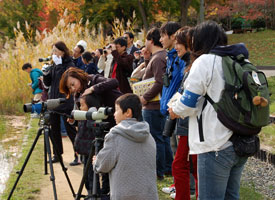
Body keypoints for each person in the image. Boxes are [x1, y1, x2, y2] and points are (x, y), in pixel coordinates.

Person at [169, 20, 248, 200]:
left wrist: (174, 109)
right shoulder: (237, 58)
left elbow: (187, 103)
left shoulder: (205, 61)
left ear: (200, 41)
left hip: (214, 146)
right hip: (239, 141)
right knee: (231, 196)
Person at [59, 67, 123, 197]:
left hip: (114, 119)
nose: (73, 89)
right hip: (96, 128)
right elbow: (82, 113)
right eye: (69, 88)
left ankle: (106, 192)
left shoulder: (93, 80)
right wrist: (74, 120)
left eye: (73, 84)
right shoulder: (78, 94)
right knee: (91, 161)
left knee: (107, 159)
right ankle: (93, 193)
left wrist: (93, 88)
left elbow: (114, 82)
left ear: (78, 76)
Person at [93, 93, 158, 200]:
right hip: (149, 194)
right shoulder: (148, 135)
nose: (114, 114)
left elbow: (103, 165)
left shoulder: (115, 135)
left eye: (117, 110)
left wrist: (96, 162)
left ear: (128, 112)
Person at [168, 27, 198, 200]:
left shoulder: (194, 66)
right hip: (186, 123)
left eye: (179, 43)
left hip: (189, 124)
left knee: (182, 164)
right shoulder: (189, 65)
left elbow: (191, 98)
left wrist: (176, 109)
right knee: (186, 164)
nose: (175, 47)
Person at [42, 41, 78, 165]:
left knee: (70, 129)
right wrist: (46, 73)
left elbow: (69, 78)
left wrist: (60, 66)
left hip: (65, 100)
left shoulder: (70, 64)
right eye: (53, 51)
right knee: (54, 130)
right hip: (53, 100)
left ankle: (78, 154)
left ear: (63, 51)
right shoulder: (54, 64)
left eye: (56, 51)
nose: (54, 53)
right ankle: (57, 155)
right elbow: (48, 84)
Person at [139, 27, 167, 181]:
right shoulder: (156, 57)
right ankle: (164, 168)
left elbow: (159, 81)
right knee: (160, 138)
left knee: (155, 139)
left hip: (153, 106)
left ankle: (158, 171)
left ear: (151, 40)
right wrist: (145, 60)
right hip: (153, 106)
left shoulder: (158, 58)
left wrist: (145, 98)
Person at [158, 21, 184, 178]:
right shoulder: (170, 57)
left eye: (162, 36)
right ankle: (178, 184)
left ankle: (189, 187)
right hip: (170, 109)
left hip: (177, 110)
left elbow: (182, 83)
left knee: (180, 152)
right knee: (175, 149)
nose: (160, 39)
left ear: (173, 36)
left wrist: (175, 106)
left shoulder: (180, 58)